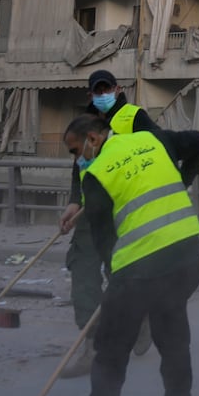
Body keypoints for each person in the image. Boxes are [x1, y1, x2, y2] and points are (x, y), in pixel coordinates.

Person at [64, 113, 199, 396]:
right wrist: (183, 181)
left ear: (93, 139)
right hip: (187, 260)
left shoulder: (95, 174)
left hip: (138, 273)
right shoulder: (152, 139)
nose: (77, 159)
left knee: (110, 351)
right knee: (174, 341)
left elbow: (103, 239)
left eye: (75, 151)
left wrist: (114, 282)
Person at [57, 70, 160, 378]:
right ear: (89, 94)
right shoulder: (83, 123)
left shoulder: (135, 118)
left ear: (116, 89)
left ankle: (141, 318)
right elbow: (79, 167)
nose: (101, 94)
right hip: (92, 212)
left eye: (106, 88)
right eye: (96, 90)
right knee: (83, 271)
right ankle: (92, 348)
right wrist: (75, 201)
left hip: (125, 212)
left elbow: (157, 154)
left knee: (123, 276)